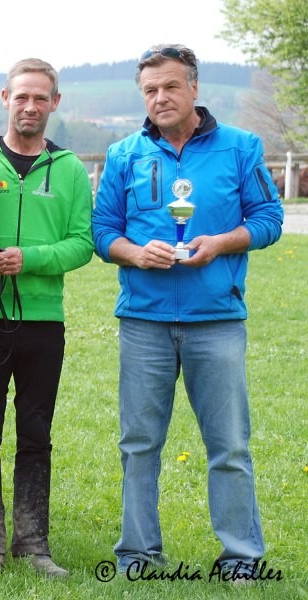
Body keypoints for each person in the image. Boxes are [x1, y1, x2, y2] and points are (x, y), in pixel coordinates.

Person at [91, 44, 283, 580]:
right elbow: (102, 230)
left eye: (171, 86)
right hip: (143, 322)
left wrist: (222, 242)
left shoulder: (241, 148)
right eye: (150, 90)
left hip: (217, 320)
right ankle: (137, 554)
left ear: (194, 88)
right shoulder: (125, 153)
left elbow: (269, 217)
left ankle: (241, 557)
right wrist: (134, 253)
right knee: (139, 443)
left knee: (229, 445)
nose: (160, 97)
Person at [0, 58, 94, 577]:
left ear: (54, 103)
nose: (31, 106)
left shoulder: (70, 171)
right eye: (22, 97)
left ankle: (34, 545)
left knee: (36, 432)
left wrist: (28, 259)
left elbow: (83, 243)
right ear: (5, 99)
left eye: (41, 98)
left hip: (44, 321)